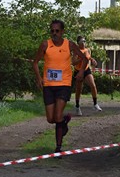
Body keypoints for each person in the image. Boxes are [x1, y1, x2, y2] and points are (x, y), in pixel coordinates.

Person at [33, 19, 88, 153]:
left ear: (62, 32)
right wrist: (39, 79)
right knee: (50, 119)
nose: (54, 33)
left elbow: (84, 58)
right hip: (48, 85)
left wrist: (81, 72)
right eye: (52, 31)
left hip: (64, 84)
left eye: (57, 31)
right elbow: (35, 63)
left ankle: (58, 147)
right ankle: (65, 121)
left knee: (57, 116)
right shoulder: (45, 44)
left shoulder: (69, 45)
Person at [73, 35, 102, 116]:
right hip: (78, 71)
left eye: (84, 41)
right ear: (78, 43)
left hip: (86, 70)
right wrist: (81, 59)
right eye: (82, 42)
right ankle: (77, 106)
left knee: (93, 85)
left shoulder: (87, 50)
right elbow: (73, 62)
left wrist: (92, 60)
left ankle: (95, 104)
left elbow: (89, 57)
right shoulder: (76, 51)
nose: (84, 43)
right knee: (79, 89)